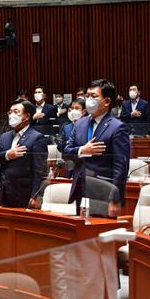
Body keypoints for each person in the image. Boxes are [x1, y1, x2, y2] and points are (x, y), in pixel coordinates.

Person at [64, 79, 130, 217]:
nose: (88, 100)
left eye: (94, 96)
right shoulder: (80, 124)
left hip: (103, 190)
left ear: (106, 101)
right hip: (80, 188)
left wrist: (116, 199)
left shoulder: (117, 127)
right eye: (87, 96)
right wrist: (82, 150)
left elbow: (121, 167)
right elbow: (67, 151)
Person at [0, 99, 48, 208]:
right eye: (10, 112)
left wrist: (34, 196)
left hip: (24, 193)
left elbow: (39, 171)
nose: (12, 115)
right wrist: (7, 155)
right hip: (4, 192)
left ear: (27, 116)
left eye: (16, 112)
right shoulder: (5, 136)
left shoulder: (37, 138)